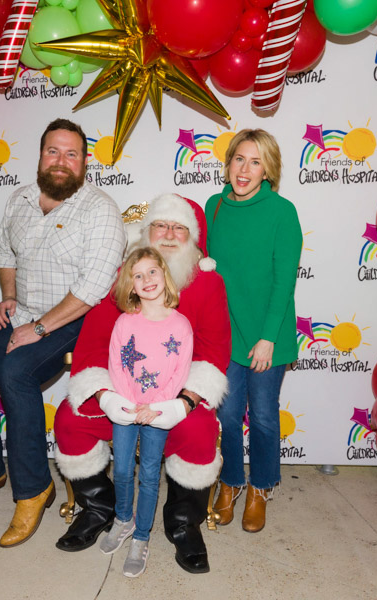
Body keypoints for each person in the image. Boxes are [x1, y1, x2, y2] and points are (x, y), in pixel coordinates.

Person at [0, 118, 126, 548]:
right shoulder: (20, 198)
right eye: (53, 151)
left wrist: (40, 328)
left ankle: (33, 489)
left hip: (75, 318)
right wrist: (8, 296)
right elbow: (4, 250)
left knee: (16, 374)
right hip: (23, 311)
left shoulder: (99, 208)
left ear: (85, 162)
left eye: (72, 154)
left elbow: (94, 285)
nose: (61, 161)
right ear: (41, 155)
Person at [53, 193, 231, 574]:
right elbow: (93, 346)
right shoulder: (122, 280)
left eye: (179, 227)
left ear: (194, 239)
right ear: (146, 232)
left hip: (175, 396)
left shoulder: (209, 285)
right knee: (70, 420)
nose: (168, 234)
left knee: (200, 430)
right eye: (160, 225)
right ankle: (100, 508)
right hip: (123, 393)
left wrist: (183, 403)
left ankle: (183, 523)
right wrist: (104, 396)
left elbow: (214, 354)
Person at [206, 129, 302, 533]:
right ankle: (229, 484)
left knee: (262, 417)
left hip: (268, 334)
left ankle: (261, 487)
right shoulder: (213, 206)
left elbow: (284, 282)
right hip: (226, 335)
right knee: (227, 414)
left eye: (255, 162)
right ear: (228, 164)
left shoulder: (282, 211)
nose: (244, 170)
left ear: (268, 170)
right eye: (239, 159)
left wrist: (266, 338)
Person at [99, 247, 193, 577]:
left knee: (151, 474)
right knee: (122, 469)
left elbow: (179, 372)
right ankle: (124, 520)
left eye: (152, 272)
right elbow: (116, 364)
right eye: (138, 276)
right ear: (131, 286)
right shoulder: (125, 322)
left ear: (164, 276)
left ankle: (141, 537)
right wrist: (128, 403)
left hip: (157, 413)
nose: (146, 280)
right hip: (126, 409)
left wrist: (155, 407)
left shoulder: (180, 325)